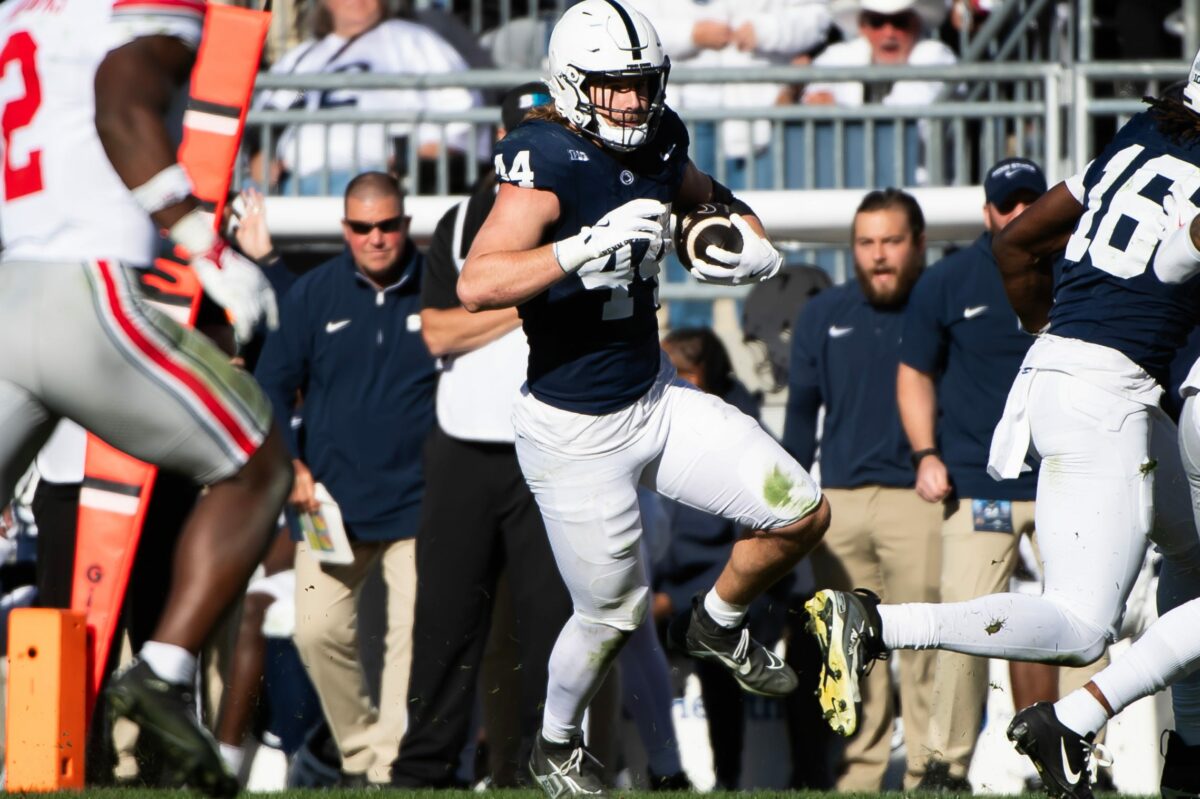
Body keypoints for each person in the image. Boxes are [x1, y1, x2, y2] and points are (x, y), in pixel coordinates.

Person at [455, 2, 831, 794]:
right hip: (573, 430)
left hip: (655, 398)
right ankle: (556, 744)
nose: (630, 102)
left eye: (639, 85)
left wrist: (741, 246)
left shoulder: (661, 135)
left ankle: (717, 621)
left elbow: (709, 201)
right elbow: (478, 280)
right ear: (570, 84)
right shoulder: (542, 155)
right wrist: (582, 246)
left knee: (801, 511)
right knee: (613, 615)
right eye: (611, 87)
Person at [805, 53, 1200, 799]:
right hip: (1107, 391)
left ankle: (1191, 757)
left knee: (1193, 549)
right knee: (1083, 626)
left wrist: (1052, 326)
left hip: (1063, 369)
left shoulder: (1146, 130)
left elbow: (1015, 242)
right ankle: (879, 625)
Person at [0, 0, 292, 795]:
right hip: (84, 289)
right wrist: (201, 243)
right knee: (259, 461)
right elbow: (121, 96)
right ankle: (162, 672)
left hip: (10, 287)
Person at [389, 82, 574, 790]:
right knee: (444, 621)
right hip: (465, 444)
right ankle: (424, 768)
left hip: (551, 443)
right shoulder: (464, 217)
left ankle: (536, 769)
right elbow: (440, 327)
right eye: (520, 133)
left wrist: (493, 294)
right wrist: (528, 292)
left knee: (549, 626)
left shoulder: (585, 210)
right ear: (502, 144)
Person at [253, 171, 436, 787]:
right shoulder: (312, 294)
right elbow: (271, 385)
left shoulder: (442, 284)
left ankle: (385, 770)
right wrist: (293, 466)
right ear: (345, 230)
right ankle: (360, 755)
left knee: (411, 645)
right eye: (363, 227)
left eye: (388, 225)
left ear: (406, 225)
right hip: (329, 503)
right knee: (315, 630)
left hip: (423, 503)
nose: (376, 238)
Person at [896, 157, 1065, 790]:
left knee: (1086, 627)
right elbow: (914, 371)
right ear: (988, 211)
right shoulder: (949, 280)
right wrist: (924, 454)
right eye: (1007, 203)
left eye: (1030, 201)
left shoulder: (1079, 270)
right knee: (964, 626)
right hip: (977, 481)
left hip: (1067, 482)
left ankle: (1077, 761)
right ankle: (943, 767)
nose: (1018, 213)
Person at [783, 188, 942, 790]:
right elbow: (799, 420)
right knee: (848, 654)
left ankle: (933, 772)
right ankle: (861, 772)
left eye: (892, 242)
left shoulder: (940, 304)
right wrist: (784, 510)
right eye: (866, 243)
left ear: (920, 245)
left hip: (923, 500)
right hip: (840, 505)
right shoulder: (823, 315)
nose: (878, 256)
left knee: (931, 648)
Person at [250, 0, 481, 196]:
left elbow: (460, 110)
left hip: (379, 181)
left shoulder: (413, 41)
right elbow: (277, 110)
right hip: (292, 183)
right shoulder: (304, 58)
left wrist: (419, 162)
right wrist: (262, 155)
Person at [802, 0, 953, 107]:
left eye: (899, 22)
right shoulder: (837, 56)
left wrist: (838, 112)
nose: (889, 33)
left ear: (916, 25)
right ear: (862, 27)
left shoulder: (936, 56)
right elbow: (813, 100)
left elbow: (909, 122)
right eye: (877, 22)